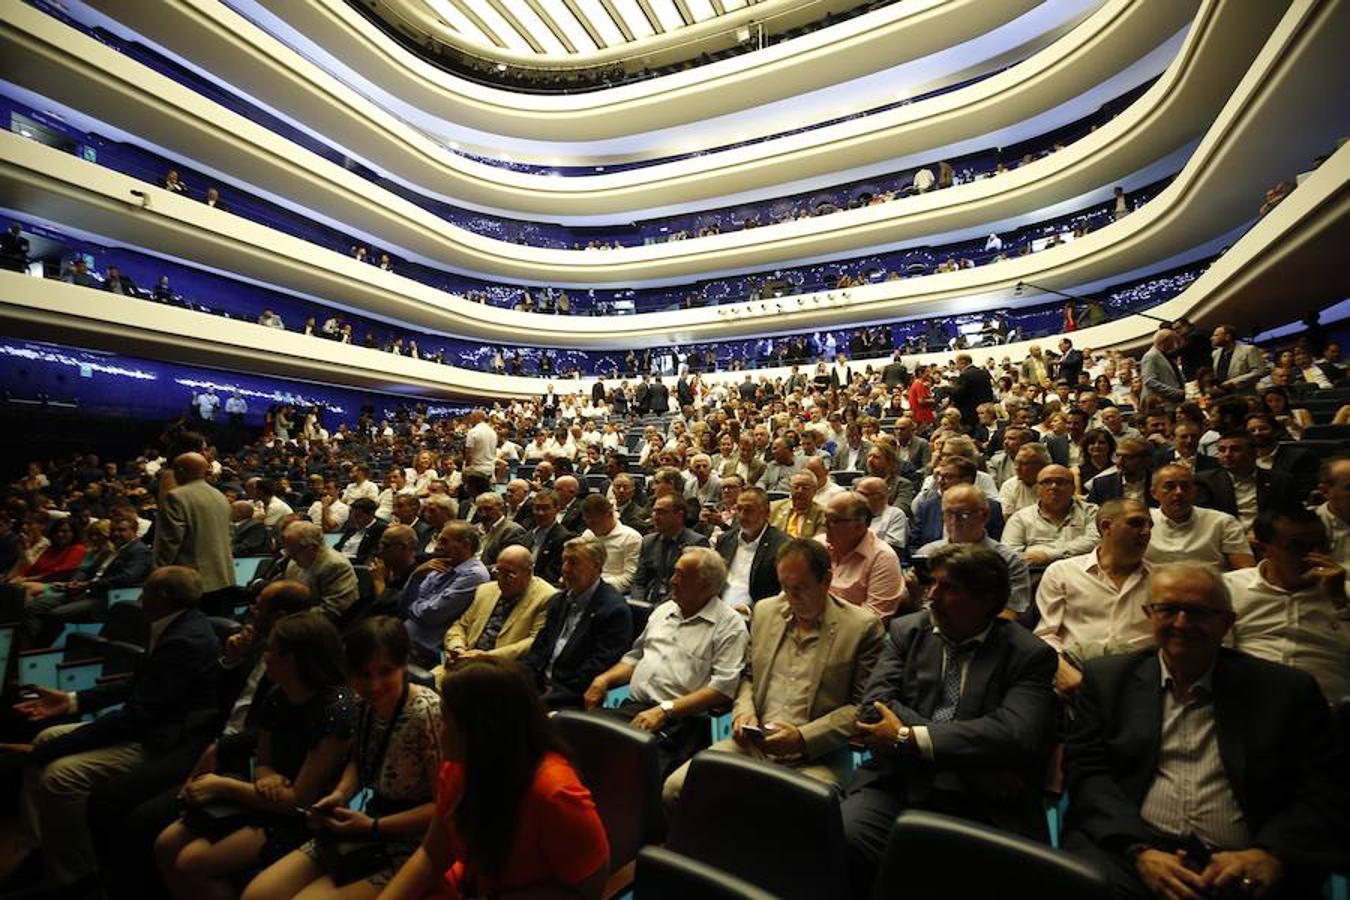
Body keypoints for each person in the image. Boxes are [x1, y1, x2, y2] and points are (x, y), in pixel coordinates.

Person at [1061, 565, 1347, 899]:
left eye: (1198, 612)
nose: (1181, 624)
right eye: (1168, 609)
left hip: (1247, 858)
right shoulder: (1108, 680)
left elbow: (1323, 789)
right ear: (1148, 614)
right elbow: (1088, 774)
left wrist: (1268, 853)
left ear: (1227, 622)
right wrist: (1140, 852)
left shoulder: (1287, 690)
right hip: (1132, 851)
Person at [842, 544, 1058, 896]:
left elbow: (1015, 733)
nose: (932, 596)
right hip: (899, 780)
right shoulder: (906, 632)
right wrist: (944, 739)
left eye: (950, 588)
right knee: (844, 838)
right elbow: (873, 708)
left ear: (988, 600)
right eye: (933, 584)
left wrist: (910, 737)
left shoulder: (1029, 655)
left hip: (985, 795)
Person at [10, 567, 222, 893]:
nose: (138, 597)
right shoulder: (175, 624)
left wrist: (43, 753)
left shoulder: (184, 640)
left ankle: (77, 877)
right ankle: (42, 850)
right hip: (149, 724)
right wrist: (70, 700)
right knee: (45, 736)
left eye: (146, 590)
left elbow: (135, 718)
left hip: (165, 743)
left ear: (163, 598)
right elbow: (138, 685)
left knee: (59, 775)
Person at [664, 537, 884, 804]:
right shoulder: (767, 611)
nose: (791, 597)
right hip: (753, 745)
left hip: (816, 758)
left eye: (800, 588)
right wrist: (744, 713)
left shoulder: (861, 628)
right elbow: (748, 677)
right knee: (676, 789)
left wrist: (803, 738)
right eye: (784, 587)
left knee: (788, 813)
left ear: (826, 581)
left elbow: (863, 708)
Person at [155, 613, 354, 900]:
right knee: (166, 843)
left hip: (301, 820)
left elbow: (299, 801)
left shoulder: (337, 708)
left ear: (294, 659)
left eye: (272, 649)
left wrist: (222, 786)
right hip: (265, 797)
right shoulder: (277, 694)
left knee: (190, 862)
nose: (265, 654)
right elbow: (263, 761)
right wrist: (268, 776)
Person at [376, 658, 609, 900]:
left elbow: (588, 891)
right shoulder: (458, 768)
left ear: (480, 731)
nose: (438, 728)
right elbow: (432, 856)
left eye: (445, 720)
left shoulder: (554, 793)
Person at [243, 617, 442, 900]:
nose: (374, 685)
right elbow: (359, 762)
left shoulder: (428, 713)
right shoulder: (361, 703)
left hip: (412, 842)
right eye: (363, 674)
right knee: (257, 894)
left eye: (386, 672)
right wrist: (339, 795)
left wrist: (372, 826)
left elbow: (444, 808)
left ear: (404, 665)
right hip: (365, 826)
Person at [585, 547, 748, 777]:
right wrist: (604, 679)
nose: (672, 580)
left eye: (681, 575)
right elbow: (635, 658)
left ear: (705, 585)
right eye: (674, 573)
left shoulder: (729, 626)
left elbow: (722, 689)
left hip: (683, 720)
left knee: (633, 771)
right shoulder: (664, 611)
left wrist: (665, 710)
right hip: (636, 708)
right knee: (578, 736)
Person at [1226, 506, 1349, 704]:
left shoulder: (1343, 592)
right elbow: (1216, 656)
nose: (1314, 556)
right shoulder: (1230, 588)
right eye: (1298, 546)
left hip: (1329, 710)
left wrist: (1340, 602)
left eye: (1322, 546)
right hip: (1252, 706)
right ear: (1263, 549)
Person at [1034, 499, 1155, 694]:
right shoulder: (1062, 572)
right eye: (1136, 523)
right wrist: (1063, 671)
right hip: (1076, 671)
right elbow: (1046, 635)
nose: (1146, 531)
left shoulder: (1161, 580)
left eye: (1150, 525)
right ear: (1106, 526)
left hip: (1140, 678)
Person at [519, 537, 632, 708]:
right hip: (540, 686)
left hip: (572, 696)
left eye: (574, 563)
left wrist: (541, 700)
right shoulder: (559, 600)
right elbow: (539, 649)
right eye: (564, 561)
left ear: (596, 566)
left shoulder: (613, 610)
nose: (565, 569)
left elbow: (596, 669)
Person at [22, 514, 152, 646]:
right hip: (87, 591)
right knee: (35, 607)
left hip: (107, 598)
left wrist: (89, 584)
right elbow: (87, 570)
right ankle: (31, 649)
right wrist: (76, 581)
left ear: (134, 531)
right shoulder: (113, 549)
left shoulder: (139, 551)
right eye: (114, 530)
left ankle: (40, 650)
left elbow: (127, 577)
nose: (116, 534)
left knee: (56, 614)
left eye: (122, 530)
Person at [913, 484, 1031, 615]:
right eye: (948, 513)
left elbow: (1011, 612)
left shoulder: (1009, 560)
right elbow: (920, 606)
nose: (954, 521)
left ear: (985, 515)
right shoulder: (926, 553)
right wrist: (913, 593)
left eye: (963, 514)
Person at [442, 546, 554, 667]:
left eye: (509, 575)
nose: (501, 580)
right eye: (498, 572)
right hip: (465, 660)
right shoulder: (485, 590)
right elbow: (461, 625)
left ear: (529, 572)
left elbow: (533, 642)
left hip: (502, 669)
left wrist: (488, 657)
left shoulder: (546, 597)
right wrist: (457, 648)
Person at [400, 523, 490, 668]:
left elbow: (430, 615)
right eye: (438, 540)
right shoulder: (441, 564)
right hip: (407, 639)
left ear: (466, 545)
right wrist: (415, 577)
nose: (437, 547)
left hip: (427, 651)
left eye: (444, 542)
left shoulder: (474, 575)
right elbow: (402, 605)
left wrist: (414, 605)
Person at [153, 452, 235, 607]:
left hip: (189, 583)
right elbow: (230, 535)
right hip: (223, 578)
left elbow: (170, 542)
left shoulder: (176, 497)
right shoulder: (220, 496)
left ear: (181, 471)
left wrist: (157, 574)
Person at [1146, 464, 1255, 572]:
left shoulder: (1222, 522)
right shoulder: (1143, 522)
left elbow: (1246, 572)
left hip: (1212, 586)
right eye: (1170, 487)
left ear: (1194, 491)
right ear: (1154, 493)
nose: (1179, 492)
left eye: (1185, 486)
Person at [816, 492, 906, 618]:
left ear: (858, 526)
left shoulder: (882, 558)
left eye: (833, 520)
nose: (824, 525)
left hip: (850, 633)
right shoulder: (818, 545)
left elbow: (873, 619)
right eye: (825, 518)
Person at [1002, 464, 1100, 567]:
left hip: (1080, 573)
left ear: (1073, 488)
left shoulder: (1091, 512)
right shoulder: (1020, 518)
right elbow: (1009, 555)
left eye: (1060, 482)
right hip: (1034, 576)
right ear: (1037, 488)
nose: (1053, 487)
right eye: (1047, 482)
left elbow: (1095, 542)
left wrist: (1048, 555)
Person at [1194, 431, 1296, 531]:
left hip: (1268, 539)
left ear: (1254, 453)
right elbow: (1206, 520)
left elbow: (1287, 517)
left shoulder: (1280, 480)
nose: (1227, 454)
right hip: (1225, 538)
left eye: (1235, 449)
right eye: (1222, 450)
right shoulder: (1206, 481)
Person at [716, 486, 789, 613]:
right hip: (719, 611)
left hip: (757, 616)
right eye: (739, 509)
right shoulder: (725, 540)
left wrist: (750, 610)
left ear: (766, 513)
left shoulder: (783, 546)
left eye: (749, 510)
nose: (742, 516)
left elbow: (784, 593)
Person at [631, 493, 710, 605]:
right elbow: (638, 581)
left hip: (677, 603)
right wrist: (639, 604)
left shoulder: (696, 543)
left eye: (662, 512)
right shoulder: (648, 541)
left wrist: (658, 609)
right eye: (654, 511)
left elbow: (688, 586)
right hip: (648, 602)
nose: (655, 517)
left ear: (679, 515)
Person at [282, 520, 361, 622]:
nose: (290, 556)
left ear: (312, 548)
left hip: (327, 628)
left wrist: (290, 617)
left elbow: (333, 611)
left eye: (293, 551)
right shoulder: (294, 562)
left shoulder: (336, 566)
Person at [578, 493, 642, 594]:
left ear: (609, 514)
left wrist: (595, 586)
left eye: (595, 523)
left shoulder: (631, 538)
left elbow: (629, 579)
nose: (591, 527)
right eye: (587, 522)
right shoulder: (588, 534)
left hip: (614, 592)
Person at [522, 489, 573, 587]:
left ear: (557, 509)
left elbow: (552, 576)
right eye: (537, 508)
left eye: (545, 508)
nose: (540, 513)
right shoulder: (528, 535)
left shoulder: (564, 538)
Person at [473, 492, 527, 569]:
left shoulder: (512, 531)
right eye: (479, 510)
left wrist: (478, 570)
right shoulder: (473, 529)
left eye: (488, 509)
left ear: (502, 508)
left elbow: (508, 564)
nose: (483, 514)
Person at [1210, 324, 1268, 394]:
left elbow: (1259, 371)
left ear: (1227, 337)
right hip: (1223, 395)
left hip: (1244, 394)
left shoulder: (1249, 350)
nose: (1212, 338)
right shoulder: (1215, 354)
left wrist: (1233, 382)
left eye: (1216, 335)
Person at [770, 471, 826, 539]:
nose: (800, 491)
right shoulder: (773, 508)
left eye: (805, 488)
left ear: (814, 491)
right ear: (790, 489)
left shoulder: (822, 514)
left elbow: (818, 544)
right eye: (796, 487)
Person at [333, 497, 386, 565]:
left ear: (371, 514)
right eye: (352, 516)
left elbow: (369, 556)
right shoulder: (352, 527)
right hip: (340, 560)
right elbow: (338, 546)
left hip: (355, 564)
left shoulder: (380, 529)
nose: (354, 519)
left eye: (358, 516)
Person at [1139, 328, 1186, 406]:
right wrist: (1175, 392)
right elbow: (1149, 381)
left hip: (1173, 402)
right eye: (1174, 340)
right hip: (1160, 403)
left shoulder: (1167, 356)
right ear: (1165, 341)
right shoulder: (1151, 356)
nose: (1176, 344)